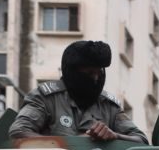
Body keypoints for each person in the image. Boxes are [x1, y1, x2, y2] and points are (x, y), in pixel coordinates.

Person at [9, 40, 149, 144]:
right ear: (72, 72)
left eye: (99, 73)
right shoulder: (45, 98)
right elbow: (19, 132)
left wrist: (115, 136)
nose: (95, 79)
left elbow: (141, 140)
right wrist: (72, 144)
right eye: (89, 73)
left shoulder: (109, 106)